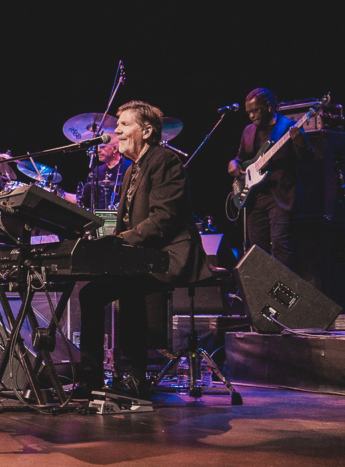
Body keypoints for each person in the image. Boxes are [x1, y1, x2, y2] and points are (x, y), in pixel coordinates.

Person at [76, 102, 211, 397]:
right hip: (142, 255)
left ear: (147, 131)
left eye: (124, 125)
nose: (116, 131)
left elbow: (164, 218)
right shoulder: (132, 170)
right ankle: (93, 379)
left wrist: (121, 240)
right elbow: (129, 221)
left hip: (170, 256)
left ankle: (134, 375)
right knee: (94, 292)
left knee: (128, 285)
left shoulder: (165, 161)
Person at [228, 88, 312, 266]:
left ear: (268, 107)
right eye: (249, 112)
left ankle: (282, 290)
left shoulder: (288, 127)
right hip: (254, 198)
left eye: (255, 110)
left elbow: (308, 161)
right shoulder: (248, 131)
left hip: (280, 196)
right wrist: (233, 163)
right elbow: (240, 157)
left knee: (280, 248)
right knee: (258, 251)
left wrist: (300, 142)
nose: (251, 116)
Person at [67, 133, 132, 211]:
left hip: (120, 217)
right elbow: (81, 200)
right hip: (98, 218)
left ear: (114, 148)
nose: (97, 150)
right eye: (97, 147)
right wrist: (60, 193)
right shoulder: (97, 171)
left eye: (102, 147)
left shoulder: (130, 168)